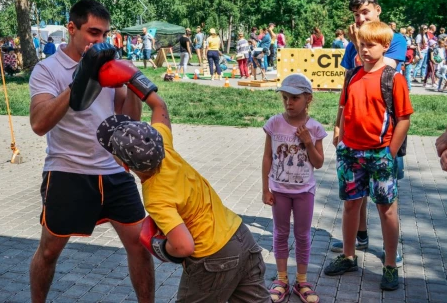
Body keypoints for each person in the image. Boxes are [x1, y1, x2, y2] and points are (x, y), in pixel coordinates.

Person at [95, 71, 270, 303]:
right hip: (241, 237)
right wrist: (134, 77)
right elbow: (159, 105)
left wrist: (159, 247)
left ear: (124, 164)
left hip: (212, 257)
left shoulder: (156, 196)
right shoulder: (163, 146)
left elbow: (184, 246)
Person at [28, 0, 154, 303]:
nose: (99, 41)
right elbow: (39, 123)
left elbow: (129, 122)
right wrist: (80, 79)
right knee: (48, 251)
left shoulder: (109, 70)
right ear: (72, 28)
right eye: (93, 33)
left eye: (104, 35)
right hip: (67, 171)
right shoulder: (47, 70)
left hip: (113, 172)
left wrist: (132, 82)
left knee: (140, 244)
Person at [324, 21, 413, 292]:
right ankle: (349, 256)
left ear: (386, 46)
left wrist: (390, 151)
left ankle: (389, 264)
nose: (364, 50)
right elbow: (343, 105)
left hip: (380, 154)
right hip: (351, 153)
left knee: (387, 209)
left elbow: (404, 119)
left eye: (370, 44)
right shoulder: (351, 75)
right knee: (351, 205)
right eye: (361, 44)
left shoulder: (392, 78)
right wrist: (338, 130)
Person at [262, 74, 326, 303]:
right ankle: (281, 279)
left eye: (295, 98)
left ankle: (302, 280)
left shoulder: (315, 128)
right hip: (279, 190)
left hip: (303, 192)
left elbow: (318, 163)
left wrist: (308, 141)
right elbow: (267, 157)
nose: (289, 102)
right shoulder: (274, 124)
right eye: (285, 97)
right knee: (280, 233)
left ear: (308, 99)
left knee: (302, 235)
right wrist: (265, 188)